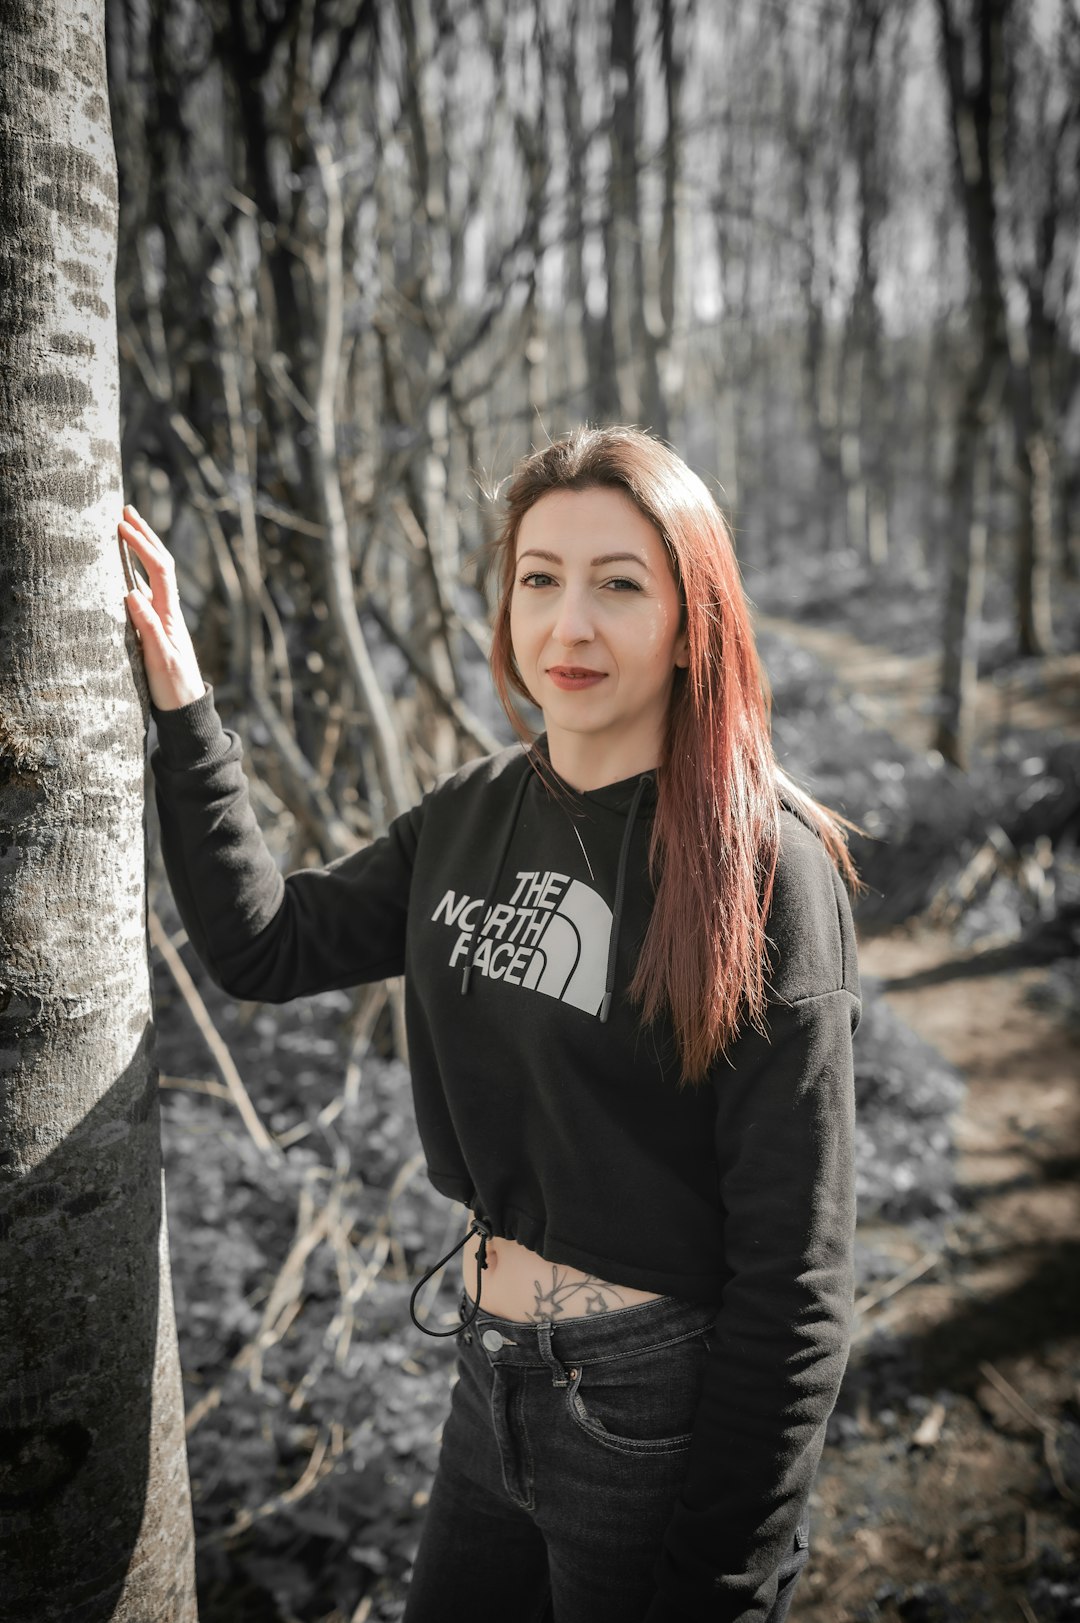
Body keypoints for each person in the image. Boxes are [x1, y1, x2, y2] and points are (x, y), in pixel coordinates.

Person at [120, 424, 865, 1623]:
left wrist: (725, 1576)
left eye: (620, 585)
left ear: (695, 620)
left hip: (652, 1408)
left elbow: (800, 1275)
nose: (569, 625)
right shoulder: (472, 812)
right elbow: (264, 945)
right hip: (489, 1373)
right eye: (540, 579)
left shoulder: (760, 866)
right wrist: (186, 708)